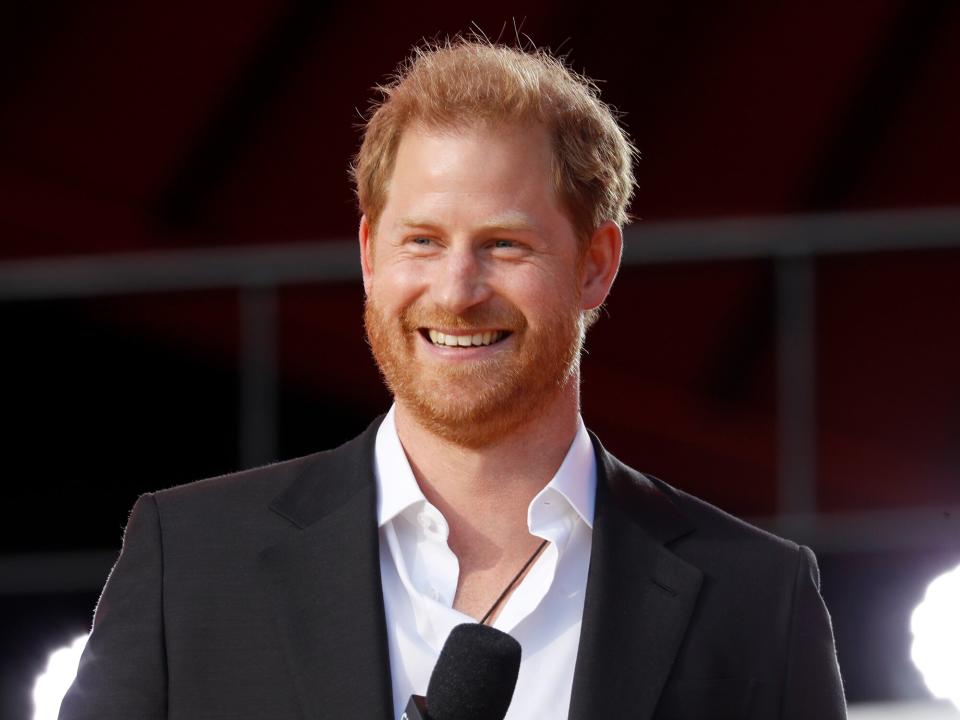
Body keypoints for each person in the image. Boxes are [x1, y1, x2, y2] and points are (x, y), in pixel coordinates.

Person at [59, 38, 846, 720]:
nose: (457, 290)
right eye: (423, 241)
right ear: (370, 255)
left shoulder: (758, 597)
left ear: (596, 265)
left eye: (504, 245)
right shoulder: (191, 560)